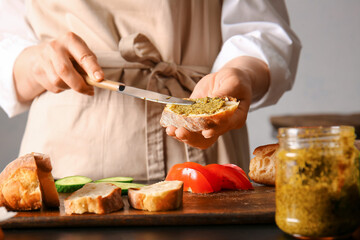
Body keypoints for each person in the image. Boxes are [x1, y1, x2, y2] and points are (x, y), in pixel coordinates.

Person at [0, 0, 301, 181]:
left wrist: (241, 73)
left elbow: (260, 29)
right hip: (68, 150)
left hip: (205, 145)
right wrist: (33, 63)